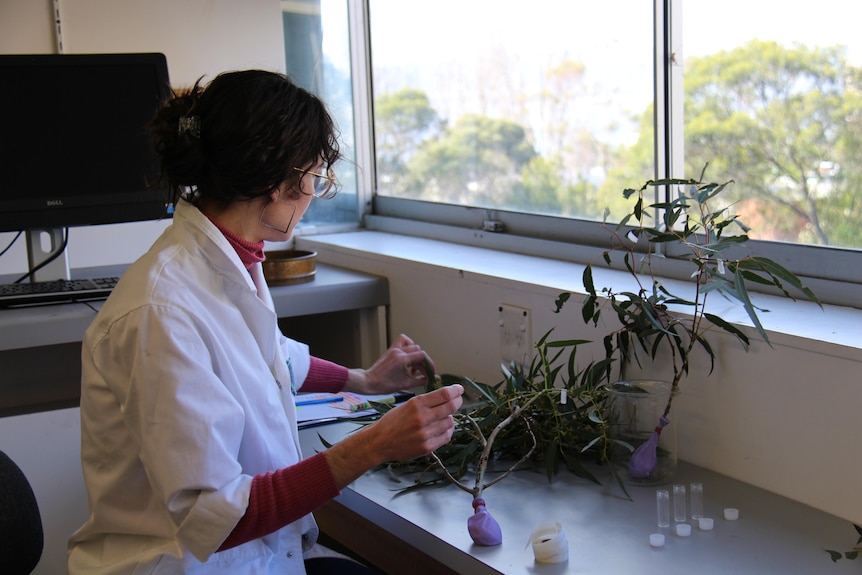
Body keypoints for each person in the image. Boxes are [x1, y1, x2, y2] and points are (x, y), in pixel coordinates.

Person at [67, 69, 464, 575]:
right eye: (315, 178)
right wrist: (373, 445)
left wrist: (363, 380)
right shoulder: (162, 313)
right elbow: (216, 517)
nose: (312, 195)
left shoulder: (228, 261)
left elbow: (272, 357)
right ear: (276, 182)